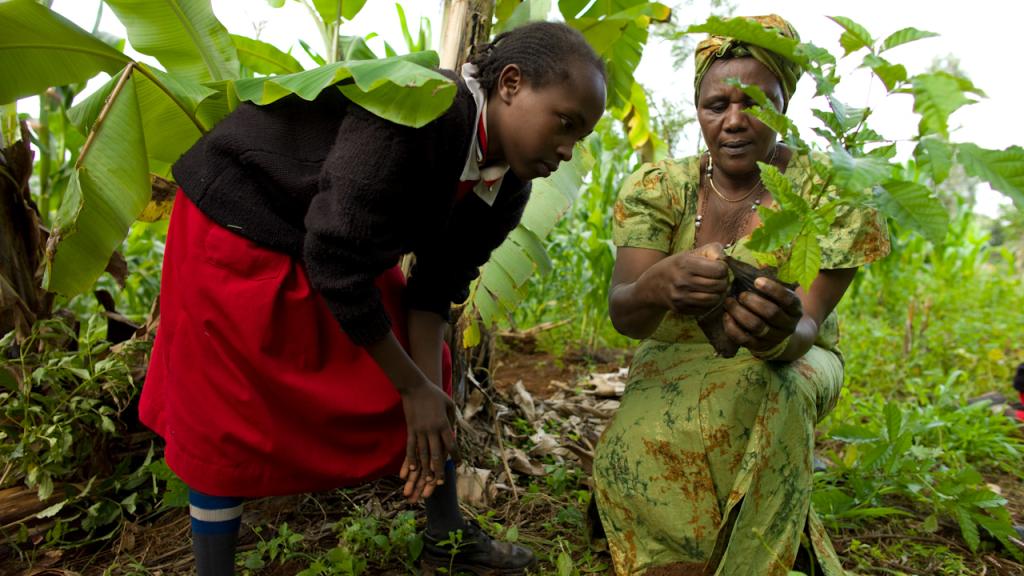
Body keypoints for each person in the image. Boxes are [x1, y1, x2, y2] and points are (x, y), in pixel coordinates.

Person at [140, 21, 606, 575]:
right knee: (227, 412)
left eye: (580, 138)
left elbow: (433, 292)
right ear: (510, 83)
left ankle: (445, 536)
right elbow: (335, 260)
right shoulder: (422, 110)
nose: (568, 150)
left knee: (427, 382)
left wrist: (425, 391)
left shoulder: (508, 185)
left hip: (326, 240)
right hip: (238, 222)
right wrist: (411, 385)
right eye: (565, 123)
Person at [591, 15, 890, 576]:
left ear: (784, 105)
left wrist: (779, 330)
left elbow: (807, 329)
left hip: (794, 359)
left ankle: (756, 562)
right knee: (634, 445)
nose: (733, 121)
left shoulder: (829, 191)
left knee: (775, 388)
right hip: (674, 354)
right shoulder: (661, 188)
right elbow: (625, 315)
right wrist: (657, 284)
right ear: (698, 109)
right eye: (715, 105)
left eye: (755, 103)